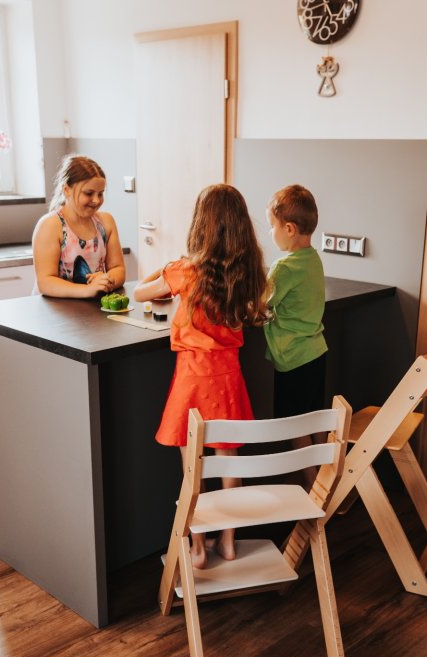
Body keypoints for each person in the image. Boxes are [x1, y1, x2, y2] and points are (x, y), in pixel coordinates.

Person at [133, 184, 269, 569]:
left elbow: (140, 293)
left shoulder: (186, 271)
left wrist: (168, 270)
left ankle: (197, 547)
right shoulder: (247, 273)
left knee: (193, 469)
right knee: (229, 464)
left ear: (200, 225)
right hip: (228, 379)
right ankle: (228, 541)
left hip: (192, 379)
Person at [264, 184, 329, 489]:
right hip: (316, 351)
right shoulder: (313, 259)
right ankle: (328, 477)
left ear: (288, 228)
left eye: (271, 226)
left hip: (292, 358)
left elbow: (261, 303)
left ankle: (313, 485)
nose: (270, 233)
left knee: (295, 424)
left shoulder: (284, 267)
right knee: (315, 418)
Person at [32, 155, 126, 298]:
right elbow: (45, 282)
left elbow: (118, 269)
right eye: (89, 193)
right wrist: (88, 290)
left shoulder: (107, 222)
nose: (96, 200)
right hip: (53, 309)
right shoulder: (50, 225)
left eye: (100, 194)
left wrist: (107, 280)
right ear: (66, 190)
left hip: (90, 307)